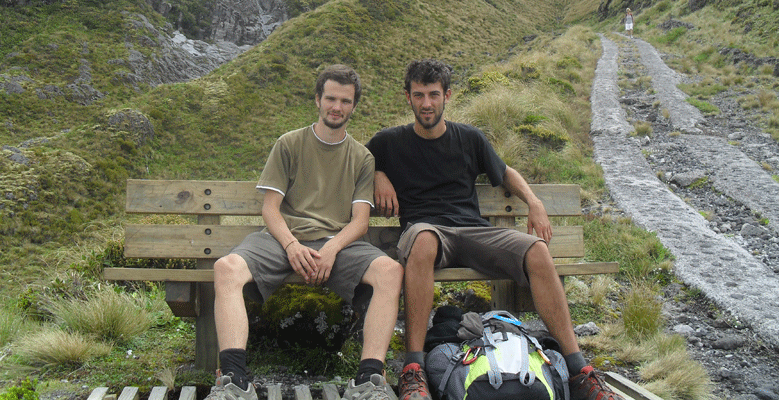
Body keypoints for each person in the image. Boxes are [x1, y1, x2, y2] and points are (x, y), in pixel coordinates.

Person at [366, 59, 624, 400]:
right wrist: (377, 174)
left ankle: (579, 369)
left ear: (447, 96)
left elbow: (504, 172)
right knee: (424, 239)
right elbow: (357, 165)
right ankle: (414, 369)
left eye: (433, 95)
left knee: (536, 249)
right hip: (427, 232)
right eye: (419, 95)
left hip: (474, 231)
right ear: (408, 97)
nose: (426, 103)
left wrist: (534, 202)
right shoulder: (388, 142)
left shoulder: (469, 138)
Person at [208, 64, 403, 400]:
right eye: (330, 99)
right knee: (226, 268)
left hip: (337, 242)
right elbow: (270, 209)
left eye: (345, 101)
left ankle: (369, 379)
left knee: (391, 271)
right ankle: (234, 381)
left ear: (354, 106)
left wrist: (331, 249)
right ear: (317, 99)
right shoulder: (289, 144)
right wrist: (291, 245)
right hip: (283, 238)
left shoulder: (362, 157)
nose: (336, 107)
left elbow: (360, 221)